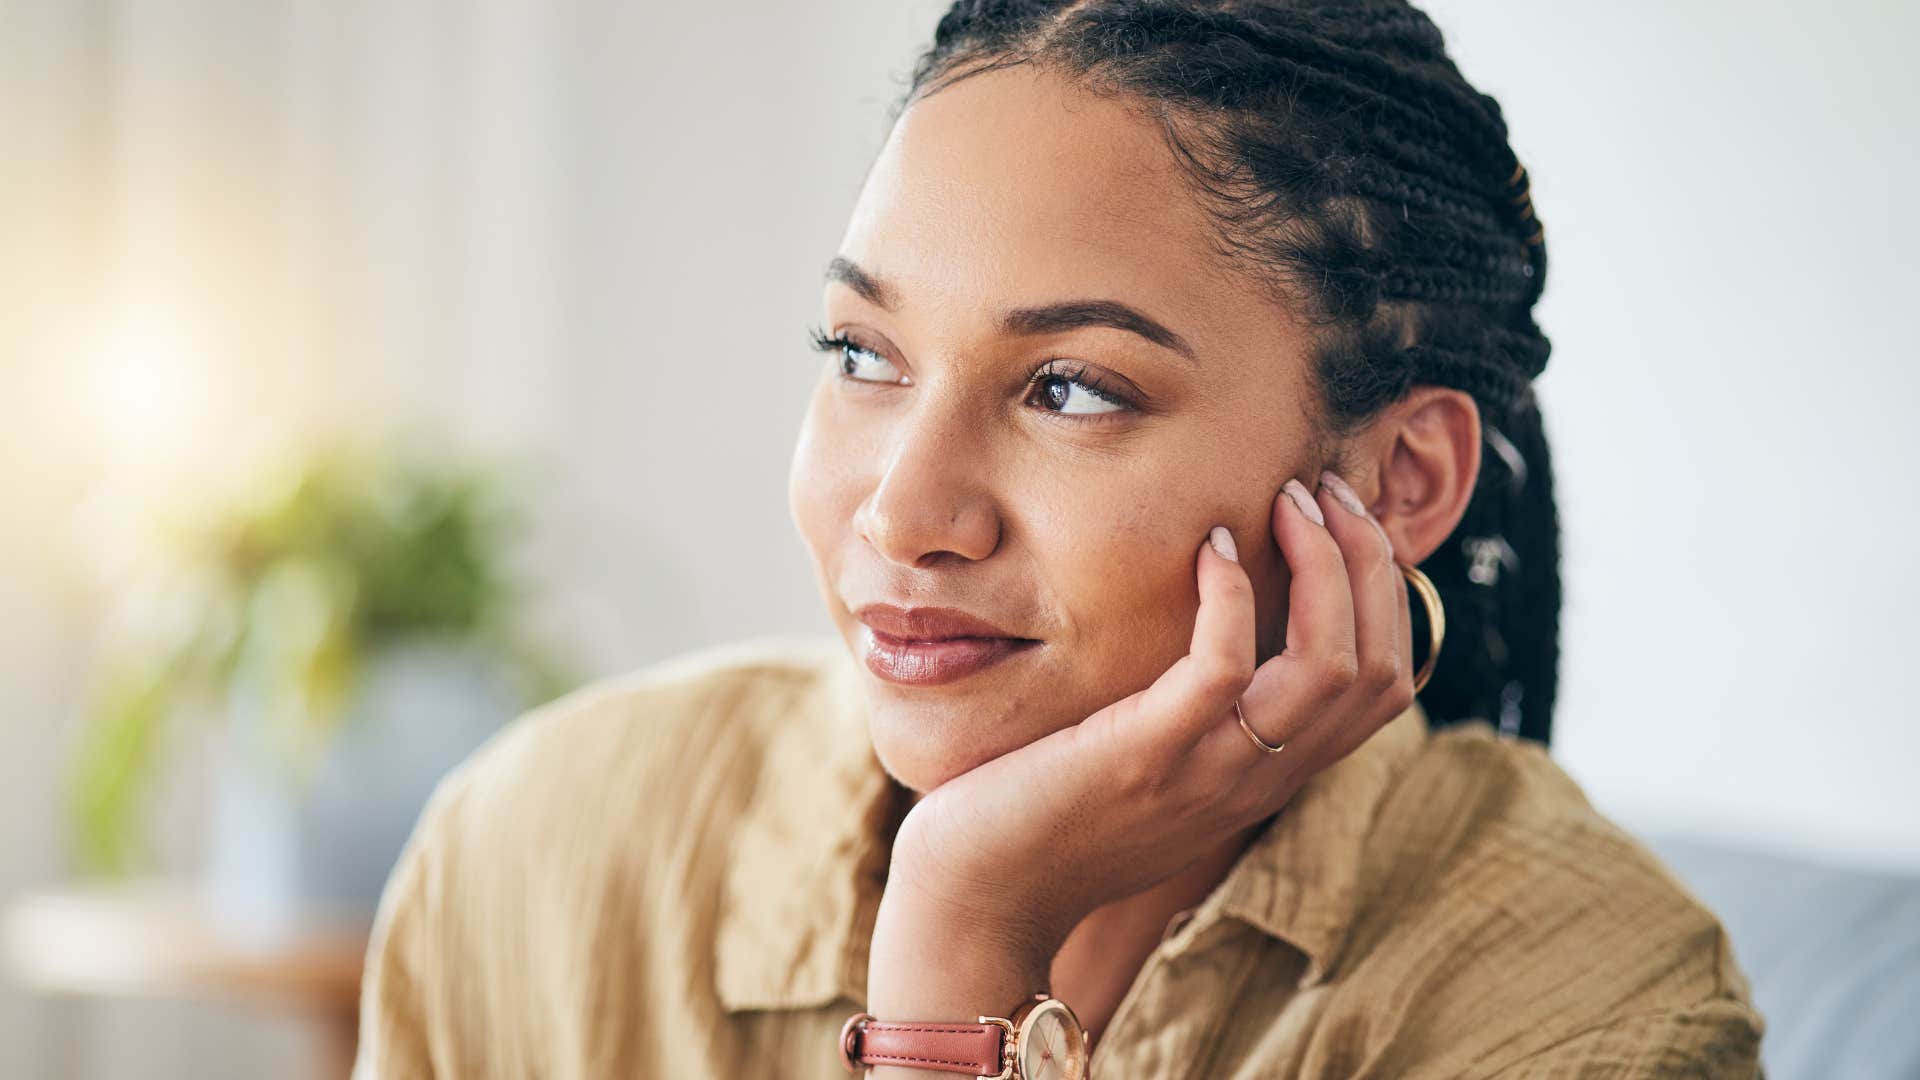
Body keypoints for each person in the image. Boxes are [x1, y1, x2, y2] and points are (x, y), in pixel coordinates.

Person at [352, 2, 1767, 1077]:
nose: (902, 513)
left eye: (1071, 388)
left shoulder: (1598, 1005)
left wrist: (960, 948)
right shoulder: (543, 848)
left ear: (1400, 482)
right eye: (860, 351)